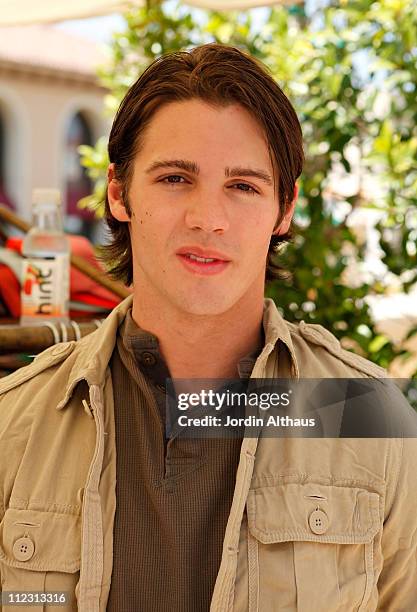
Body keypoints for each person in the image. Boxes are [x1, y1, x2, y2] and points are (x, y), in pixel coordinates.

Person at [0, 43, 416, 612]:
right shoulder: (13, 425)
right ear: (119, 192)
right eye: (175, 178)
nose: (207, 218)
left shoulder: (369, 415)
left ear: (284, 207)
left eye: (243, 186)